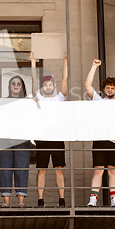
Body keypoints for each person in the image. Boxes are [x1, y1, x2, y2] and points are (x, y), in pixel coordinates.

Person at [29, 52, 68, 208]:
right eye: (45, 85)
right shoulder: (39, 97)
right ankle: (40, 200)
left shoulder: (60, 98)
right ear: (42, 87)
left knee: (58, 169)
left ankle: (62, 199)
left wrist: (65, 61)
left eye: (50, 84)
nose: (48, 86)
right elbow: (33, 80)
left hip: (57, 137)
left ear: (54, 86)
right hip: (43, 138)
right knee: (42, 170)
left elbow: (65, 79)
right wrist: (33, 62)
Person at [85, 59, 115, 207]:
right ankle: (93, 199)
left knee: (113, 172)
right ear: (104, 89)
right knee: (98, 171)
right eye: (107, 87)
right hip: (100, 140)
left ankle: (114, 199)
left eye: (112, 88)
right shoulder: (97, 100)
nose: (110, 90)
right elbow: (87, 85)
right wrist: (94, 66)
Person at [0, 75, 31, 208]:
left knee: (21, 168)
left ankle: (21, 202)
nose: (16, 86)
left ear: (22, 87)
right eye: (13, 83)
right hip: (4, 139)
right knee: (5, 168)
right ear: (9, 87)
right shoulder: (2, 102)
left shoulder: (28, 103)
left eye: (18, 84)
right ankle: (6, 203)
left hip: (22, 138)